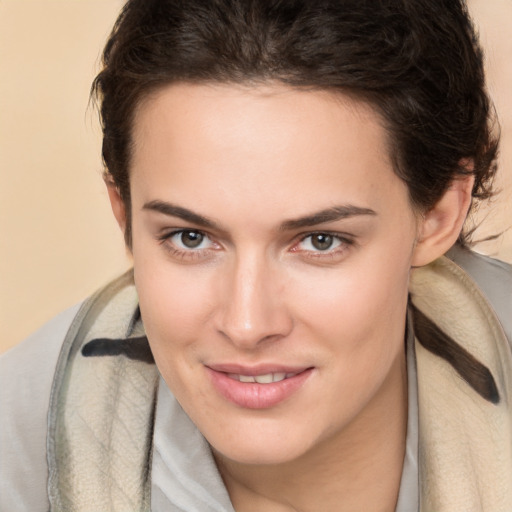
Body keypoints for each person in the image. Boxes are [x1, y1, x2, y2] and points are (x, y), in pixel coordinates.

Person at [1, 0, 511, 510]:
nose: (247, 324)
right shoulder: (17, 448)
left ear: (440, 215)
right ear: (125, 215)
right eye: (190, 238)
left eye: (320, 241)